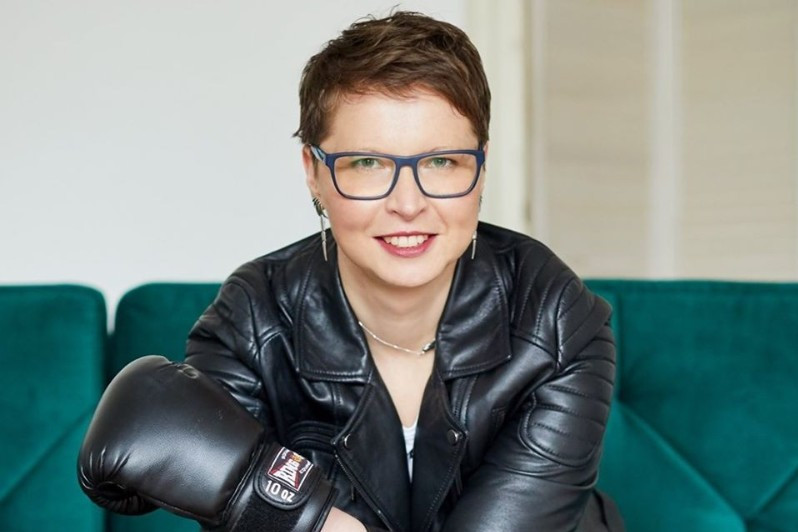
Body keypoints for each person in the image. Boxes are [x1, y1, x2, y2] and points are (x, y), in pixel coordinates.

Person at [79, 11, 623, 532]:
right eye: (367, 163)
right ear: (313, 173)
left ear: (480, 167)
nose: (408, 204)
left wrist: (311, 521)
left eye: (441, 162)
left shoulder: (555, 317)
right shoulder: (251, 322)